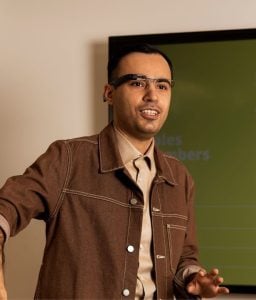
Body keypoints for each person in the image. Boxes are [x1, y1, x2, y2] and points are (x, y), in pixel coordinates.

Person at [0, 44, 229, 299]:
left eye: (162, 86)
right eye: (138, 83)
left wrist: (192, 278)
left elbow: (183, 259)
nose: (153, 95)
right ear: (109, 93)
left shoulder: (179, 176)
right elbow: (6, 209)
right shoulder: (67, 158)